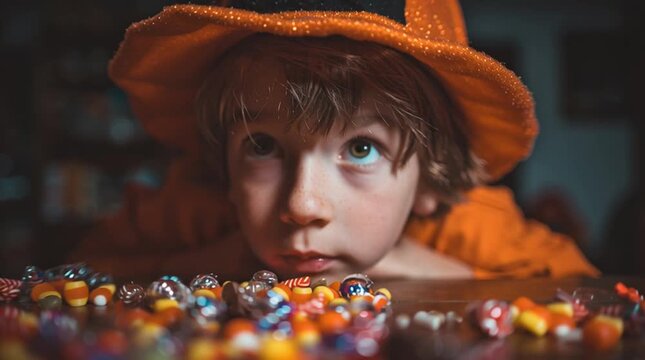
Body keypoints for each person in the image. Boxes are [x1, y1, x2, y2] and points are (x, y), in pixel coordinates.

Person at [69, 0, 599, 282]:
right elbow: (77, 271)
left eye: (362, 148)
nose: (302, 207)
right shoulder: (189, 211)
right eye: (261, 146)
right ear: (223, 169)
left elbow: (586, 288)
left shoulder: (470, 227)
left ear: (429, 181)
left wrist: (422, 264)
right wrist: (209, 259)